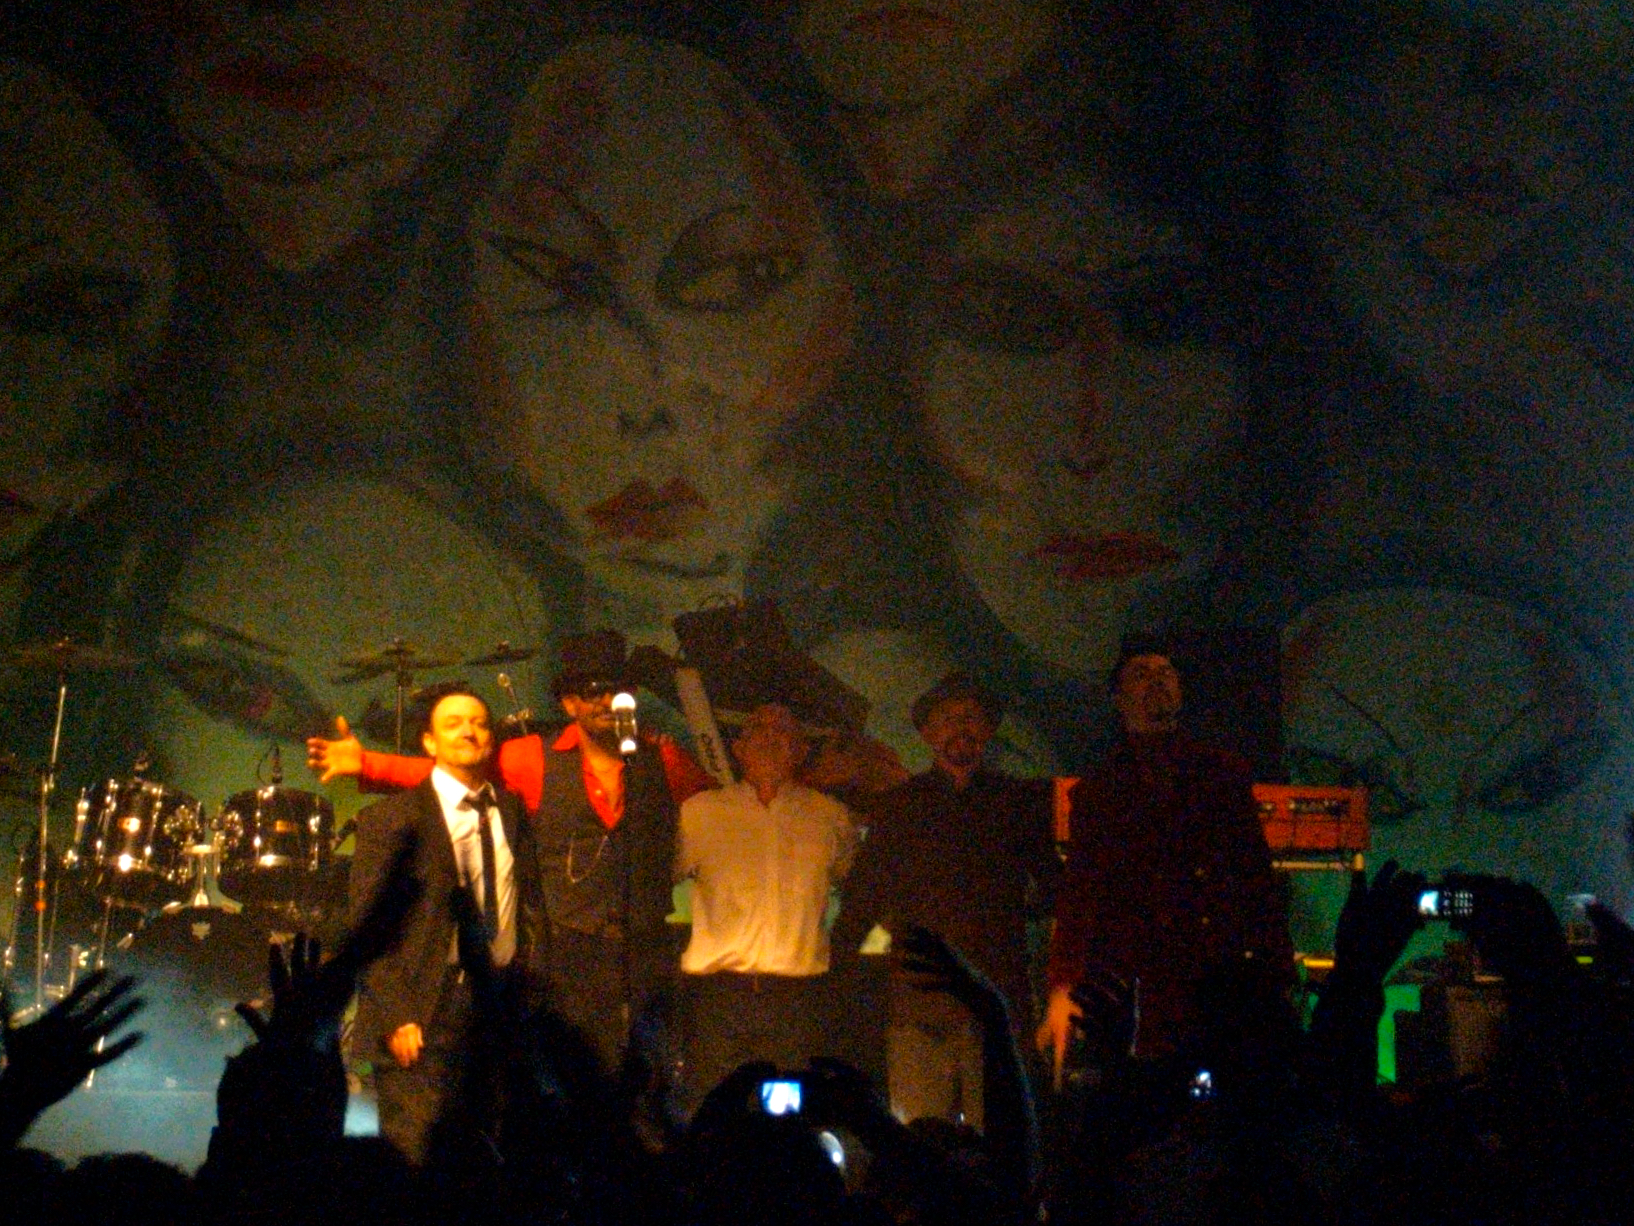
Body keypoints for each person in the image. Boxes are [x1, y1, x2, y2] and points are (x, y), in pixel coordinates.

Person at [311, 631, 714, 1069]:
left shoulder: (664, 760)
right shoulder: (534, 757)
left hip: (647, 956)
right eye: (592, 691)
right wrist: (366, 764)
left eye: (617, 689)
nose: (605, 700)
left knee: (649, 1080)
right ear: (570, 704)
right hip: (568, 958)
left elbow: (725, 811)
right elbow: (451, 773)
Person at [1037, 650, 1291, 1073]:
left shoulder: (1221, 773)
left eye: (1166, 672)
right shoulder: (1100, 791)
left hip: (1216, 970)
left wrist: (1278, 968)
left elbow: (1256, 878)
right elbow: (1078, 896)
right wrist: (1062, 986)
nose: (1157, 680)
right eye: (1142, 674)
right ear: (1119, 698)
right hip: (1141, 981)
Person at [833, 671, 1059, 1129]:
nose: (961, 727)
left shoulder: (1017, 803)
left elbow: (1055, 888)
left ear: (987, 730)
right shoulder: (900, 806)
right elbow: (863, 897)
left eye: (971, 717)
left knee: (998, 1136)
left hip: (997, 1001)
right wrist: (839, 971)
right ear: (928, 733)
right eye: (948, 718)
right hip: (919, 1001)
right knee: (922, 1135)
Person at [346, 685, 537, 1165]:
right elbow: (369, 925)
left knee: (489, 1154)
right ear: (429, 741)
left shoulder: (511, 812)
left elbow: (530, 906)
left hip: (496, 1003)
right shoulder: (392, 818)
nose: (468, 731)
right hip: (425, 1003)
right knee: (416, 1155)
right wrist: (396, 1012)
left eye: (479, 723)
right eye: (453, 723)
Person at [676, 703, 858, 1109]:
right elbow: (657, 882)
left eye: (784, 731)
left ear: (801, 750)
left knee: (784, 1114)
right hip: (719, 998)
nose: (771, 738)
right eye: (759, 729)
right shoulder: (699, 813)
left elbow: (859, 888)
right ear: (738, 748)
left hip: (794, 1002)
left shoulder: (830, 818)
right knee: (715, 1110)